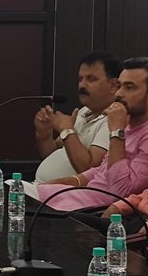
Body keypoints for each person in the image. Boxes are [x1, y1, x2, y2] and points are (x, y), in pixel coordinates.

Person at [37, 57, 148, 211]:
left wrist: (116, 132)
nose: (119, 94)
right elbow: (101, 170)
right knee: (17, 190)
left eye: (129, 87)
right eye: (119, 86)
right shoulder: (131, 120)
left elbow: (119, 192)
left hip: (93, 210)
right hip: (79, 195)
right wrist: (61, 184)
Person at [34, 52, 121, 182]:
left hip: (66, 193)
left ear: (114, 86)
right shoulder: (83, 112)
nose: (82, 85)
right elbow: (51, 154)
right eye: (80, 79)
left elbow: (89, 170)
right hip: (41, 187)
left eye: (91, 79)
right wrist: (44, 135)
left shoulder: (114, 119)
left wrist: (67, 130)